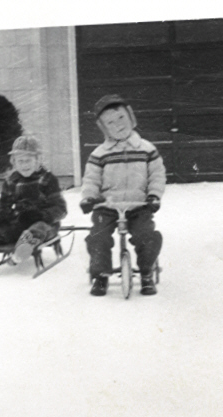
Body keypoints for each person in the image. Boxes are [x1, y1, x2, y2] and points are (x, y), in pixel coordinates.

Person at [80, 94, 166, 296]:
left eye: (121, 118)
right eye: (110, 122)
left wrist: (154, 195)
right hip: (107, 206)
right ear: (104, 128)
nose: (118, 125)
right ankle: (101, 274)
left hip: (138, 205)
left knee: (146, 236)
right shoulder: (99, 154)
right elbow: (91, 179)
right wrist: (89, 198)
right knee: (98, 237)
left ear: (131, 118)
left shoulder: (146, 149)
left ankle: (146, 273)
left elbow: (157, 175)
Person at [0, 134, 67, 265]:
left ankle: (23, 250)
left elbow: (60, 209)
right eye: (20, 161)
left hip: (46, 224)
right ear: (13, 162)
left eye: (28, 160)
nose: (24, 165)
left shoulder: (47, 179)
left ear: (38, 160)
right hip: (20, 222)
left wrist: (41, 215)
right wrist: (1, 214)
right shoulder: (11, 181)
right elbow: (5, 204)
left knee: (38, 229)